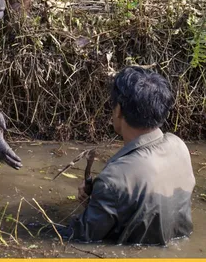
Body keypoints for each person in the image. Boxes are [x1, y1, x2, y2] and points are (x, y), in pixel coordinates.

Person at [57, 66, 196, 245]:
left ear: (118, 110)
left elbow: (80, 237)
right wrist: (97, 201)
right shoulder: (179, 146)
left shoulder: (114, 179)